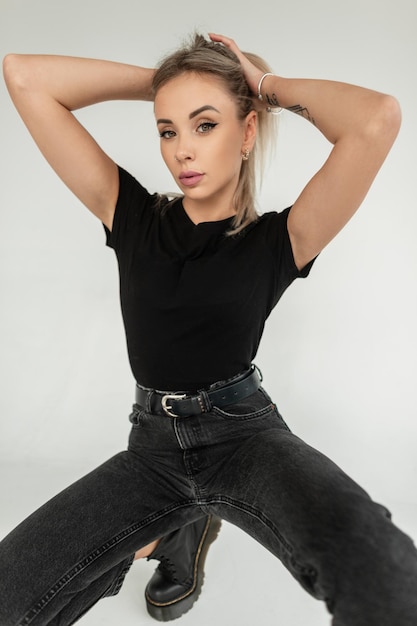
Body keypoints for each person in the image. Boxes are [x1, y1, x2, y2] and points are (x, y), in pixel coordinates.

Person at [1, 31, 416, 626]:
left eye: (204, 125)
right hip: (151, 449)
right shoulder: (131, 213)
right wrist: (166, 82)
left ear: (247, 132)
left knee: (387, 574)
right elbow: (23, 75)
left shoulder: (280, 239)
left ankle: (173, 530)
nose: (180, 151)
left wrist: (262, 87)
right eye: (167, 129)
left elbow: (377, 118)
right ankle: (173, 533)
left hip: (243, 439)